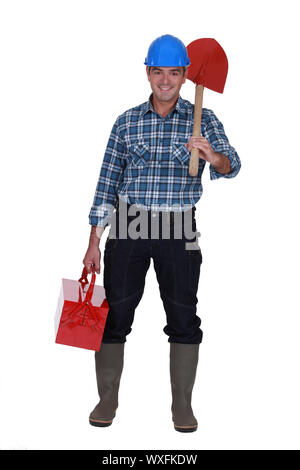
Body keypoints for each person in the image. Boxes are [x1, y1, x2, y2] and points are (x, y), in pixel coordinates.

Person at [83, 34, 241, 432]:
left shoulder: (204, 120)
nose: (166, 80)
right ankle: (106, 399)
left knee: (183, 316)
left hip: (179, 228)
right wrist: (92, 243)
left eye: (174, 72)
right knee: (115, 314)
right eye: (158, 72)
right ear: (148, 73)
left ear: (186, 75)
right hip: (128, 226)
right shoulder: (126, 122)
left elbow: (232, 166)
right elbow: (106, 183)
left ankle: (182, 406)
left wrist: (212, 155)